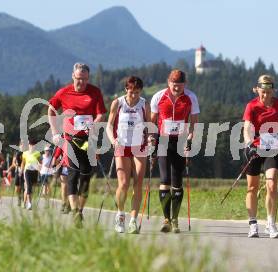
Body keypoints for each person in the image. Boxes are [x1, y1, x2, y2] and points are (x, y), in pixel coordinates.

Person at [48, 63, 107, 228]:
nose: (81, 82)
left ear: (88, 78)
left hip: (89, 139)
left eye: (84, 79)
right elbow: (51, 109)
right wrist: (54, 132)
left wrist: (95, 124)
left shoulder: (94, 92)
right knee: (73, 173)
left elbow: (101, 113)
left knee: (86, 176)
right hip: (70, 139)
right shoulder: (64, 92)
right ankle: (74, 211)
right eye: (78, 79)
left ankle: (80, 210)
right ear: (73, 76)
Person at [150, 69, 200, 233]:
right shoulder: (158, 97)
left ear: (185, 84)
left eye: (179, 85)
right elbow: (152, 121)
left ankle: (175, 219)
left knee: (177, 182)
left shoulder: (191, 97)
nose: (176, 88)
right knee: (164, 180)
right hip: (163, 140)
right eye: (173, 84)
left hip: (180, 141)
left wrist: (190, 139)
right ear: (168, 82)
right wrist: (152, 138)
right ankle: (166, 219)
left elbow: (194, 123)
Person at [243, 74, 278, 239]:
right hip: (255, 148)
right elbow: (247, 127)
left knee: (271, 185)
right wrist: (249, 144)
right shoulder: (252, 106)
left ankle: (270, 223)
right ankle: (253, 223)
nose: (265, 95)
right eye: (262, 92)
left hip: (273, 148)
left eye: (268, 92)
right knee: (252, 187)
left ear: (273, 91)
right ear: (257, 90)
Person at [106, 76, 153, 234]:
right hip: (121, 145)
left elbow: (149, 126)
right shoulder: (117, 103)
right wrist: (113, 140)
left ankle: (133, 220)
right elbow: (109, 126)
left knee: (138, 183)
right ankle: (120, 215)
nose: (134, 95)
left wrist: (151, 137)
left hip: (139, 145)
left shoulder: (144, 104)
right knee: (124, 183)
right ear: (126, 89)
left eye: (137, 92)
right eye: (131, 92)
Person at [21, 138, 41, 210]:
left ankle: (24, 202)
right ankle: (29, 203)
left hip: (34, 171)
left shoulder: (37, 153)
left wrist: (40, 168)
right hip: (27, 171)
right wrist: (21, 171)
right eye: (31, 144)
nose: (32, 146)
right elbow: (23, 163)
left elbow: (40, 162)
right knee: (28, 187)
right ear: (29, 145)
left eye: (34, 145)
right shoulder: (25, 153)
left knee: (30, 188)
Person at [52, 146, 71, 214]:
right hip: (65, 166)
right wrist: (53, 166)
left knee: (70, 187)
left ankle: (68, 205)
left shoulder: (78, 140)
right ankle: (64, 203)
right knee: (64, 187)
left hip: (74, 168)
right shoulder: (63, 143)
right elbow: (56, 155)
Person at [7, 141, 24, 207]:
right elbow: (13, 163)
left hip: (24, 170)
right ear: (19, 145)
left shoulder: (26, 153)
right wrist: (15, 164)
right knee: (17, 187)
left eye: (23, 144)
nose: (22, 146)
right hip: (17, 170)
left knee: (23, 186)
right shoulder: (16, 153)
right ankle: (19, 198)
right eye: (21, 144)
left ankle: (23, 199)